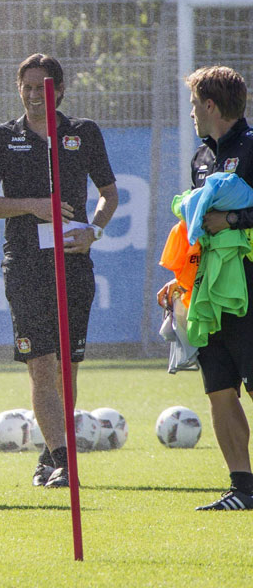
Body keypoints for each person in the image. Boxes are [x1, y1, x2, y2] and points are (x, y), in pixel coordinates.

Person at [0, 54, 118, 488]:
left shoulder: (83, 133)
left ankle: (49, 452)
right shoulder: (2, 137)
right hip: (25, 266)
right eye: (28, 87)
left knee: (66, 369)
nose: (35, 96)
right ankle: (63, 460)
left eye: (44, 87)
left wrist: (94, 230)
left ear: (61, 90)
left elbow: (109, 194)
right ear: (19, 89)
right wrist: (34, 205)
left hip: (73, 262)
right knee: (40, 362)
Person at [157, 66, 253, 511]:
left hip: (249, 289)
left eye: (195, 104)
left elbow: (227, 219)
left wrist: (234, 219)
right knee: (219, 388)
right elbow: (196, 229)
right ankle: (243, 489)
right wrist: (180, 278)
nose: (192, 113)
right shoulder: (202, 158)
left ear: (210, 106)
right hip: (209, 297)